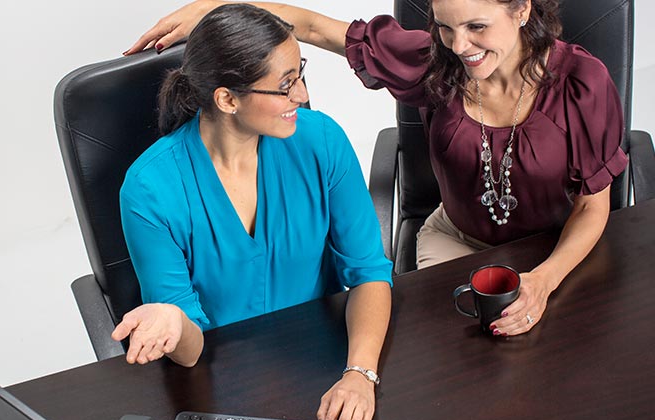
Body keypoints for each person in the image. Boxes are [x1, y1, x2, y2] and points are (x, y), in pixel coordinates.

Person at [126, 0, 628, 338]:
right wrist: (217, 11)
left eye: (476, 26)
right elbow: (317, 30)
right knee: (467, 361)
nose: (459, 45)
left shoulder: (582, 82)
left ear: (521, 10)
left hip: (554, 249)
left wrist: (543, 280)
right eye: (445, 26)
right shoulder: (438, 62)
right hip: (457, 241)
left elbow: (592, 207)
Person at [113, 4, 394, 420]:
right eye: (285, 86)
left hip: (325, 362)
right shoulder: (150, 190)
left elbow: (369, 272)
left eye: (299, 73)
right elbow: (189, 348)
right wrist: (171, 318)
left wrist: (360, 374)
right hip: (219, 389)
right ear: (227, 99)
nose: (301, 95)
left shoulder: (321, 140)